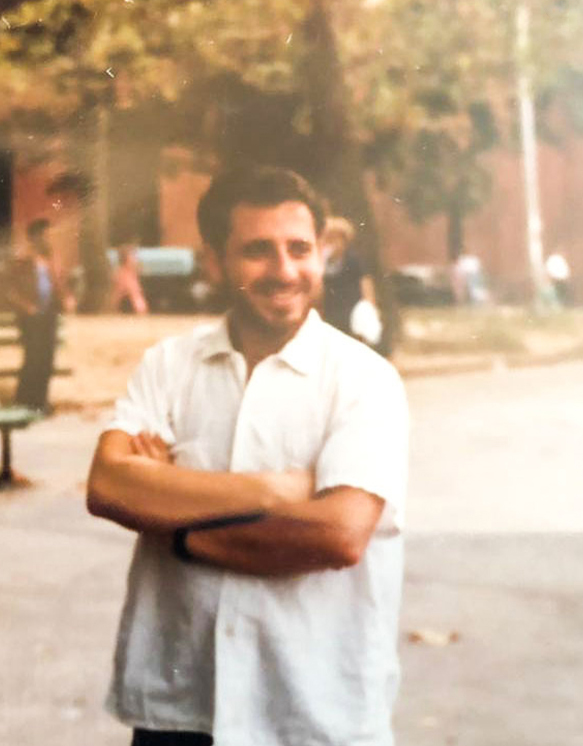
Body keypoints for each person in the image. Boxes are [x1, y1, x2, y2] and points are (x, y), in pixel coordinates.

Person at [86, 168, 409, 746]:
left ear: (322, 254)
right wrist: (275, 491)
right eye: (258, 251)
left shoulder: (364, 380)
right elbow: (109, 486)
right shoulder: (169, 365)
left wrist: (176, 523)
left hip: (312, 711)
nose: (284, 271)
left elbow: (336, 535)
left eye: (299, 249)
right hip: (179, 708)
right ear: (214, 263)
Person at [6, 218, 74, 412]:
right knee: (32, 359)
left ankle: (40, 402)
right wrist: (27, 307)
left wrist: (66, 298)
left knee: (46, 360)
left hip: (48, 317)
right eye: (45, 236)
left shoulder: (51, 261)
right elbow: (10, 291)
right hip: (31, 318)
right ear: (34, 238)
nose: (48, 240)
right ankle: (24, 401)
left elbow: (59, 286)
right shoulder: (23, 261)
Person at [320, 216, 378, 344]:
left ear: (345, 241)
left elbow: (366, 284)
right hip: (330, 310)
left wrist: (370, 306)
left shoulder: (353, 260)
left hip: (352, 310)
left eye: (337, 239)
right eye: (329, 238)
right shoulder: (321, 262)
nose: (333, 243)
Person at [110, 244, 150, 314]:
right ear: (126, 259)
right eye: (133, 257)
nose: (136, 259)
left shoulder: (131, 274)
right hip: (129, 311)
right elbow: (119, 295)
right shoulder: (123, 275)